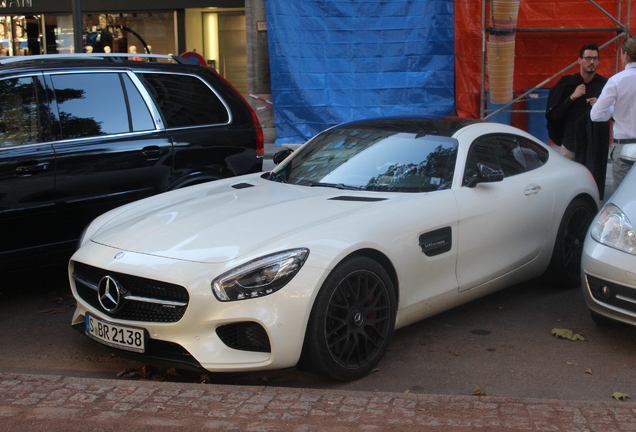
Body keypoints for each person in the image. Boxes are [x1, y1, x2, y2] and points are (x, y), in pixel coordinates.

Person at [545, 43, 608, 160]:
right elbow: (553, 115)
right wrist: (572, 97)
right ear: (580, 60)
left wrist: (600, 105)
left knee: (593, 178)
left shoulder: (604, 84)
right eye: (588, 58)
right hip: (571, 144)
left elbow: (614, 114)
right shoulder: (566, 83)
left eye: (595, 58)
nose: (592, 62)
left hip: (594, 146)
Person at [591, 35, 636, 189]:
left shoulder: (616, 81)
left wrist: (612, 110)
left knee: (624, 197)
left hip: (624, 148)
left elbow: (596, 115)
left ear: (625, 54)